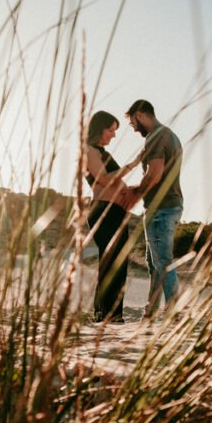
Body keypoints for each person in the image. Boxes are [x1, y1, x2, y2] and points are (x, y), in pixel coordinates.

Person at [125, 99, 183, 318]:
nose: (133, 129)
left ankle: (174, 312)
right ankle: (150, 311)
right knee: (154, 262)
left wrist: (135, 194)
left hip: (162, 207)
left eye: (132, 123)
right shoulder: (169, 135)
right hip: (167, 206)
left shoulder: (156, 136)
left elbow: (155, 173)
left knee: (162, 261)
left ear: (140, 114)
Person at [84, 111, 142, 323]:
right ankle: (105, 314)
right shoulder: (88, 150)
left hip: (115, 211)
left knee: (119, 263)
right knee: (111, 263)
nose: (113, 136)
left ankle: (112, 314)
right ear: (99, 128)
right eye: (111, 130)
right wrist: (134, 163)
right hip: (104, 211)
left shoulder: (100, 151)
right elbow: (105, 180)